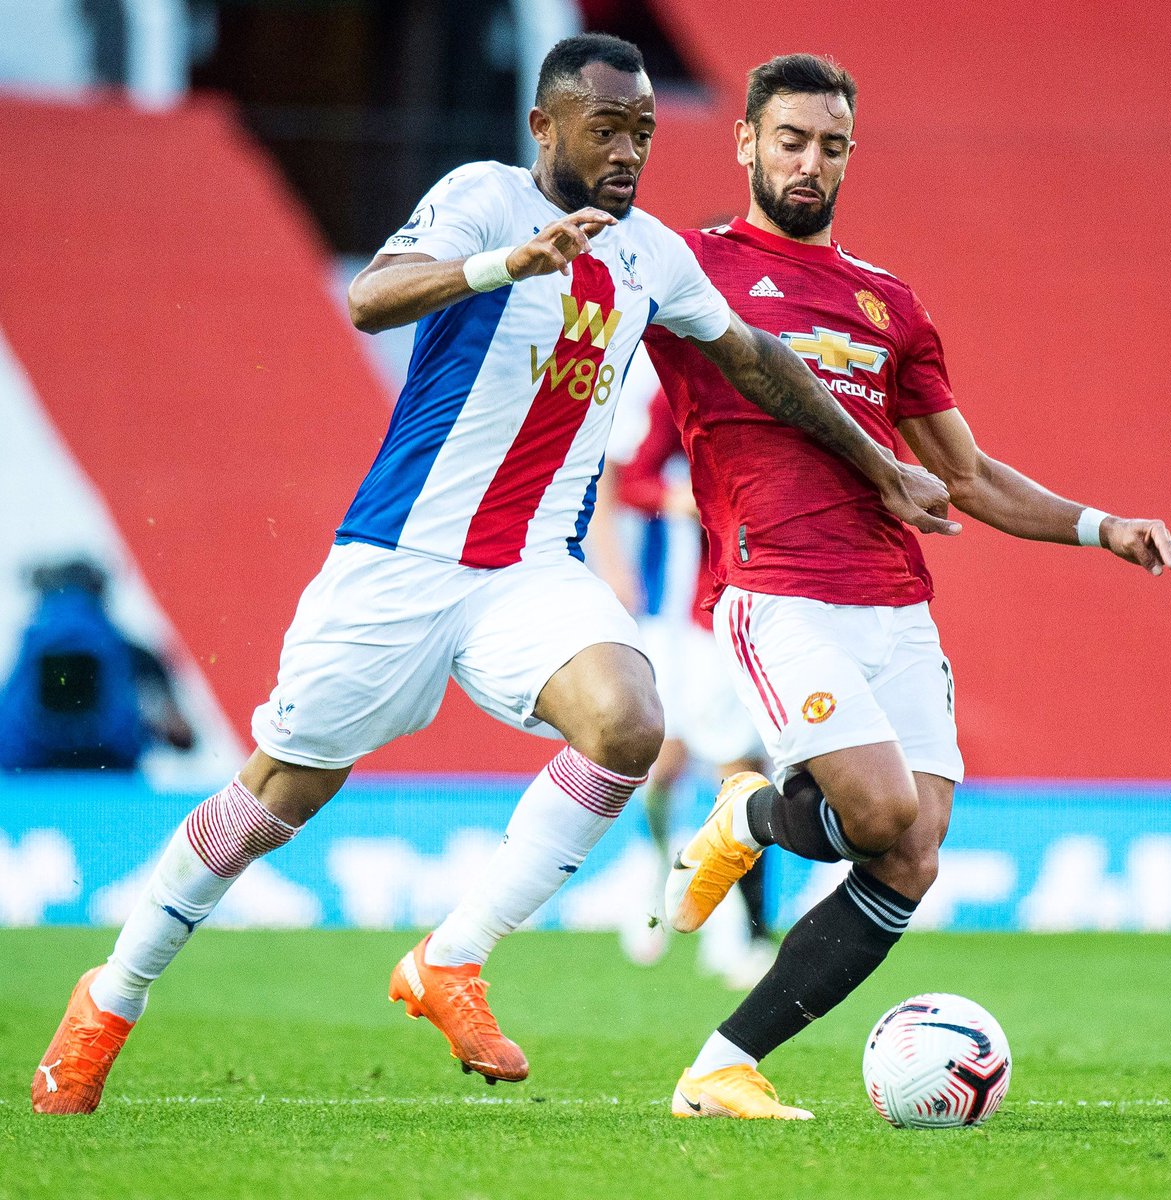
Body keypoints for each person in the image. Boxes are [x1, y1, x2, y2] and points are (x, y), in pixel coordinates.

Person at [30, 33, 956, 1116]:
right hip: (399, 563)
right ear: (544, 128)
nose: (627, 152)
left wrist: (881, 463)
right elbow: (372, 300)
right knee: (279, 796)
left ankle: (453, 958)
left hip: (530, 571)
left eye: (644, 133)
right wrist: (505, 265)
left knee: (626, 722)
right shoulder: (482, 196)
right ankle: (110, 998)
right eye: (606, 129)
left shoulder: (655, 253)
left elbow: (757, 358)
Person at [642, 53, 1171, 1121]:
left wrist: (1101, 526)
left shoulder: (886, 303)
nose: (811, 162)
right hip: (780, 589)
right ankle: (749, 816)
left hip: (895, 600)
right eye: (792, 140)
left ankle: (721, 1065)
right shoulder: (692, 269)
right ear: (747, 143)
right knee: (875, 806)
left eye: (832, 145)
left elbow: (968, 475)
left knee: (911, 854)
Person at [607, 374, 775, 984]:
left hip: (733, 615)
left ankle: (745, 927)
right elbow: (633, 482)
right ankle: (656, 871)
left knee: (739, 772)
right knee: (660, 766)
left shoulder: (775, 393)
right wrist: (681, 500)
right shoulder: (674, 394)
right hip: (667, 621)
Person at [0, 558, 194, 771]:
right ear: (100, 597)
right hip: (107, 781)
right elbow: (182, 737)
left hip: (29, 786)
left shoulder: (29, 648)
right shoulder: (132, 654)